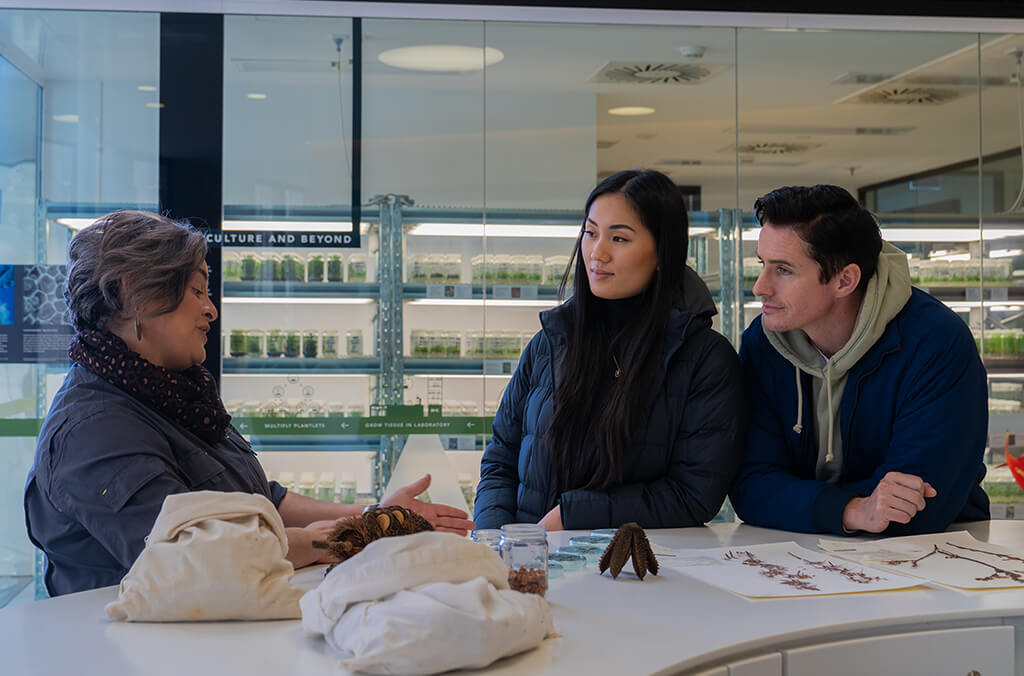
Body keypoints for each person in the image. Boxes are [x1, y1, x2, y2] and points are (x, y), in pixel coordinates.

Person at [24, 211, 473, 596]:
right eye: (197, 291)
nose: (211, 310)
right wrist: (366, 532)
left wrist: (376, 513)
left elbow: (261, 502)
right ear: (134, 296)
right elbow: (203, 554)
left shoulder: (172, 394)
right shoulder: (94, 429)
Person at [473, 169, 746, 531]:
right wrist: (496, 538)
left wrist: (571, 515)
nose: (596, 253)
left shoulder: (704, 359)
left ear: (663, 252)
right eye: (590, 233)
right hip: (527, 563)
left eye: (619, 238)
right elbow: (501, 457)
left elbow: (693, 494)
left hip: (630, 570)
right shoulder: (551, 342)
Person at [729, 185, 989, 536]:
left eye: (784, 270)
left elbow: (918, 503)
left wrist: (803, 503)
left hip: (933, 556)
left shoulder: (936, 342)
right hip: (798, 549)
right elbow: (750, 487)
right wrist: (852, 511)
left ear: (845, 280)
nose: (760, 286)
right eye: (763, 264)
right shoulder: (763, 344)